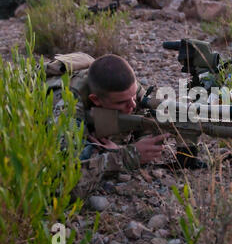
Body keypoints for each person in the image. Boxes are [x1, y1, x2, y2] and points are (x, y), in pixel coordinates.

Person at [49, 54, 170, 199]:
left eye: (133, 96)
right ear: (95, 100)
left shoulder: (125, 88)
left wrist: (136, 145)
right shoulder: (67, 105)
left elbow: (154, 120)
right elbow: (64, 183)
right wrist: (125, 157)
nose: (133, 104)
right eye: (122, 102)